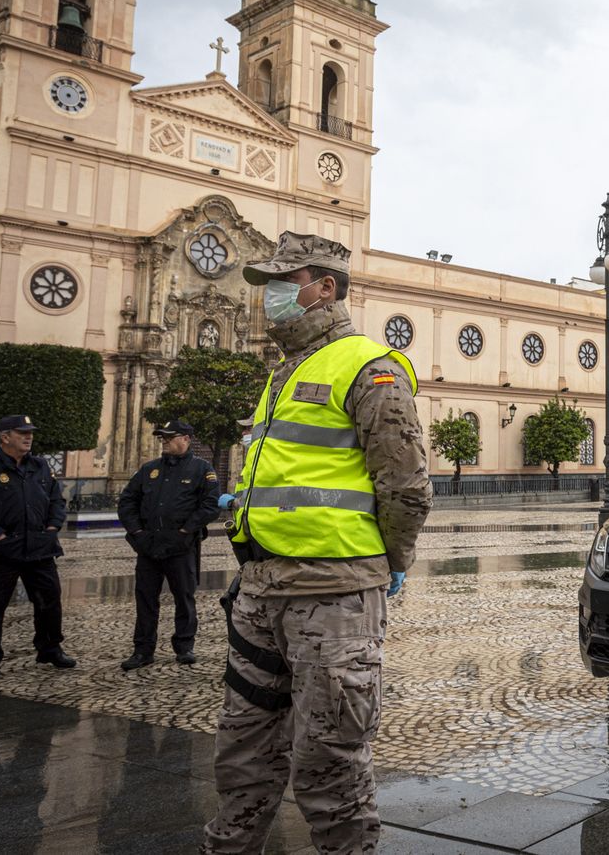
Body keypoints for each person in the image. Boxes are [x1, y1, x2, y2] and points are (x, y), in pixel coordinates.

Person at [201, 232, 432, 855]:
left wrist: (390, 562)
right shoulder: (284, 371)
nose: (270, 296)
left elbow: (406, 486)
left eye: (284, 282)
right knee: (242, 750)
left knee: (330, 763)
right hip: (260, 589)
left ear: (325, 287)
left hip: (334, 594)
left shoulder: (370, 366)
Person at [0, 414, 77, 681]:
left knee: (49, 601)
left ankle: (49, 648)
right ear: (5, 437)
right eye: (22, 433)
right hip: (1, 552)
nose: (29, 437)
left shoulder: (41, 467)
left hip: (39, 548)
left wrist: (52, 527)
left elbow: (57, 500)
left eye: (30, 432)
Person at [116, 418, 220, 670]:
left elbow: (210, 505)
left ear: (185, 439)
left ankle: (184, 647)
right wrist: (137, 532)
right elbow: (127, 501)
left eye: (169, 437)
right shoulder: (149, 469)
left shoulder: (201, 469)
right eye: (162, 437)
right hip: (149, 546)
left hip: (181, 547)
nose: (164, 441)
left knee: (184, 598)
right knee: (145, 599)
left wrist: (186, 530)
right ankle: (143, 650)